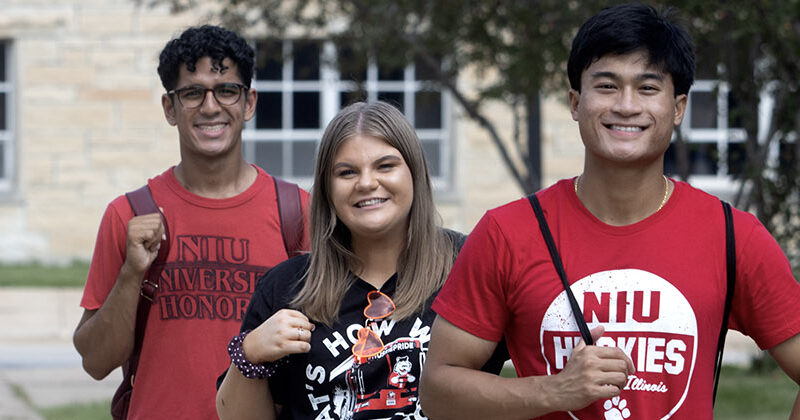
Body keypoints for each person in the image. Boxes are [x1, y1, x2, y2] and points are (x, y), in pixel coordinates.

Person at [420, 3, 800, 419]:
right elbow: (438, 391)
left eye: (648, 88)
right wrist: (553, 390)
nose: (626, 105)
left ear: (678, 108)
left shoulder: (733, 235)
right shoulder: (507, 232)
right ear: (575, 103)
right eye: (606, 86)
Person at [73, 25, 310, 419]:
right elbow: (96, 362)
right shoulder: (129, 214)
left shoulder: (297, 212)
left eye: (227, 90)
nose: (211, 107)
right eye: (193, 93)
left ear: (249, 102)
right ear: (170, 108)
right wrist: (132, 272)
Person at [216, 101, 506, 420]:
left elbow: (541, 365)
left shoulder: (469, 264)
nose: (366, 183)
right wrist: (249, 354)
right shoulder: (287, 288)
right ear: (327, 188)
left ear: (415, 172)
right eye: (347, 172)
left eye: (385, 166)